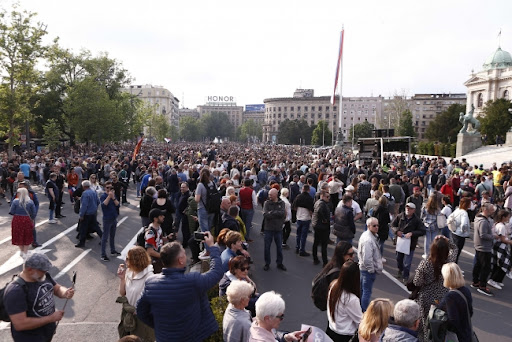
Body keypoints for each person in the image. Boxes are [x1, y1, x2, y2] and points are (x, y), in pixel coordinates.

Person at [136, 232, 224, 342]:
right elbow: (217, 272)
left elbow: (141, 311)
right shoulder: (192, 281)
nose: (185, 255)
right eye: (183, 253)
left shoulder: (151, 283)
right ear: (180, 260)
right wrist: (212, 247)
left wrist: (159, 326)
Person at [4, 253, 75, 342]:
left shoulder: (42, 276)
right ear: (30, 269)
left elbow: (57, 288)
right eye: (43, 270)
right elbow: (20, 324)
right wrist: (51, 318)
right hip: (30, 338)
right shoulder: (15, 291)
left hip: (46, 333)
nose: (45, 272)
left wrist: (65, 292)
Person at [412, 235, 457, 342]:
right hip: (442, 296)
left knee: (424, 324)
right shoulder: (449, 261)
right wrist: (446, 240)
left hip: (426, 297)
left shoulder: (426, 263)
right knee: (439, 322)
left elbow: (416, 281)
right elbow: (455, 248)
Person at [116, 246, 155, 341]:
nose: (125, 261)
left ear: (136, 260)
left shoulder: (149, 277)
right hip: (128, 314)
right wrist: (122, 279)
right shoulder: (129, 271)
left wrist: (139, 310)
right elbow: (122, 293)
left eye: (128, 259)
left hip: (141, 319)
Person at [326, 260, 362, 342]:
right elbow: (360, 321)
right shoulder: (351, 299)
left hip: (331, 329)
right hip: (344, 336)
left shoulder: (334, 285)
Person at [438, 263, 473, 342]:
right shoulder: (466, 290)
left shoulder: (450, 297)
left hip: (454, 337)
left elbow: (453, 320)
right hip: (466, 332)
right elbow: (470, 312)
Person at [391, 202, 425, 283]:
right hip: (400, 242)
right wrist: (397, 231)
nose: (408, 209)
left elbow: (422, 231)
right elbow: (393, 225)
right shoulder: (400, 216)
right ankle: (400, 270)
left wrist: (412, 233)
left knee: (407, 262)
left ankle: (406, 276)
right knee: (399, 258)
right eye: (407, 208)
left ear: (413, 210)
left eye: (410, 208)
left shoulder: (417, 220)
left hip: (410, 244)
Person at [358, 217, 383, 312]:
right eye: (374, 225)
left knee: (363, 291)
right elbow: (367, 259)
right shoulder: (368, 240)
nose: (377, 227)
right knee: (366, 292)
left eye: (377, 225)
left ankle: (360, 308)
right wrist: (371, 270)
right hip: (367, 271)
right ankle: (364, 311)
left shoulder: (370, 236)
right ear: (368, 226)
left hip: (365, 269)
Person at [471, 202, 496, 296]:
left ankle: (475, 281)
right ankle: (482, 286)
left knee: (478, 264)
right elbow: (483, 235)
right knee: (486, 267)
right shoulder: (484, 221)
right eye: (491, 210)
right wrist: (493, 236)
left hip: (478, 245)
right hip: (484, 247)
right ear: (486, 210)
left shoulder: (478, 218)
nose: (492, 212)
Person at [263, 188, 287, 271]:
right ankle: (267, 263)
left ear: (276, 194)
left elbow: (282, 213)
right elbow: (266, 215)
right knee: (267, 247)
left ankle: (279, 263)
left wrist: (271, 212)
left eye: (271, 195)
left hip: (278, 229)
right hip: (268, 228)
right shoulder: (266, 203)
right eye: (269, 194)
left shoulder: (282, 203)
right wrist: (276, 213)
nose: (269, 196)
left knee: (279, 247)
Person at [9, 188, 36, 259]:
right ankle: (25, 252)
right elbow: (33, 212)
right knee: (27, 235)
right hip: (26, 219)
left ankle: (21, 250)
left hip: (17, 219)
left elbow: (11, 211)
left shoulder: (15, 201)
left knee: (18, 235)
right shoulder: (30, 202)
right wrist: (32, 219)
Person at [489, 209, 512, 289]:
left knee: (499, 263)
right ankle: (493, 280)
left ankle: (497, 280)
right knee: (501, 264)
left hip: (499, 246)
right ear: (503, 217)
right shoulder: (501, 226)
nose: (509, 218)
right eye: (508, 216)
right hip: (501, 246)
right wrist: (510, 242)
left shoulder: (499, 224)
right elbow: (502, 239)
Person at [76, 180, 102, 248]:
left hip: (87, 213)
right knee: (96, 226)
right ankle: (103, 237)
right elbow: (98, 201)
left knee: (83, 228)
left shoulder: (85, 193)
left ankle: (82, 242)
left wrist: (81, 215)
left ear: (83, 186)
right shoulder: (94, 192)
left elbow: (84, 205)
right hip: (93, 212)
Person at [100, 181, 121, 262]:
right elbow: (103, 205)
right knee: (105, 237)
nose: (109, 189)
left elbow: (118, 205)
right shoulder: (103, 196)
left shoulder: (113, 195)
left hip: (113, 218)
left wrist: (113, 197)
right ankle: (103, 254)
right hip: (107, 219)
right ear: (105, 188)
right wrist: (109, 197)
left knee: (112, 236)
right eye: (107, 187)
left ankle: (112, 250)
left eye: (111, 188)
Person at [292, 184, 314, 256]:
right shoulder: (310, 198)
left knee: (298, 234)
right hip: (306, 218)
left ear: (302, 189)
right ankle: (302, 250)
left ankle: (297, 247)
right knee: (304, 235)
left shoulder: (298, 197)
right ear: (309, 190)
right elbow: (311, 210)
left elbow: (294, 207)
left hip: (299, 217)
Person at [312, 191, 332, 266]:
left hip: (317, 225)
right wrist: (324, 219)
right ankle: (325, 261)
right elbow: (319, 211)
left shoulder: (318, 202)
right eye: (327, 197)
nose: (328, 198)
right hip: (322, 227)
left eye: (329, 197)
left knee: (316, 242)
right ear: (322, 196)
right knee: (323, 245)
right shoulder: (321, 203)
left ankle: (315, 258)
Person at [449, 197, 471, 264]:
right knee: (457, 253)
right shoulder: (464, 213)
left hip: (454, 232)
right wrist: (464, 231)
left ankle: (451, 265)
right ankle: (453, 267)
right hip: (460, 235)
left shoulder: (457, 210)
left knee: (453, 251)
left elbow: (450, 217)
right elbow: (464, 224)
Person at [195, 168, 217, 232]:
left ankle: (206, 242)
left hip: (203, 208)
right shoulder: (213, 184)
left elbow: (197, 199)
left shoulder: (200, 185)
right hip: (212, 208)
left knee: (204, 231)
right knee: (209, 229)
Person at [420, 194, 441, 259]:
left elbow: (421, 216)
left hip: (426, 225)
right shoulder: (438, 209)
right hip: (435, 226)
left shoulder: (425, 207)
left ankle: (426, 254)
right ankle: (432, 254)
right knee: (433, 241)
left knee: (427, 240)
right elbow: (439, 218)